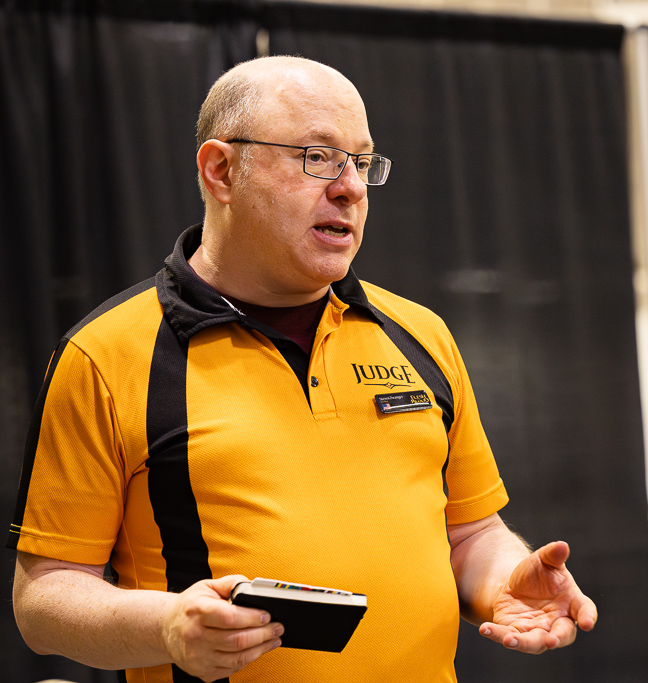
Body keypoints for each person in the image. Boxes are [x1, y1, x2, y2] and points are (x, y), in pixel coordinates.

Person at [8, 56, 597, 683]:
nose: (351, 187)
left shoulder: (421, 335)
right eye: (317, 157)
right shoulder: (107, 355)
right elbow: (44, 601)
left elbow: (470, 532)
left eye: (362, 162)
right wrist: (166, 628)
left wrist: (507, 579)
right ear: (221, 170)